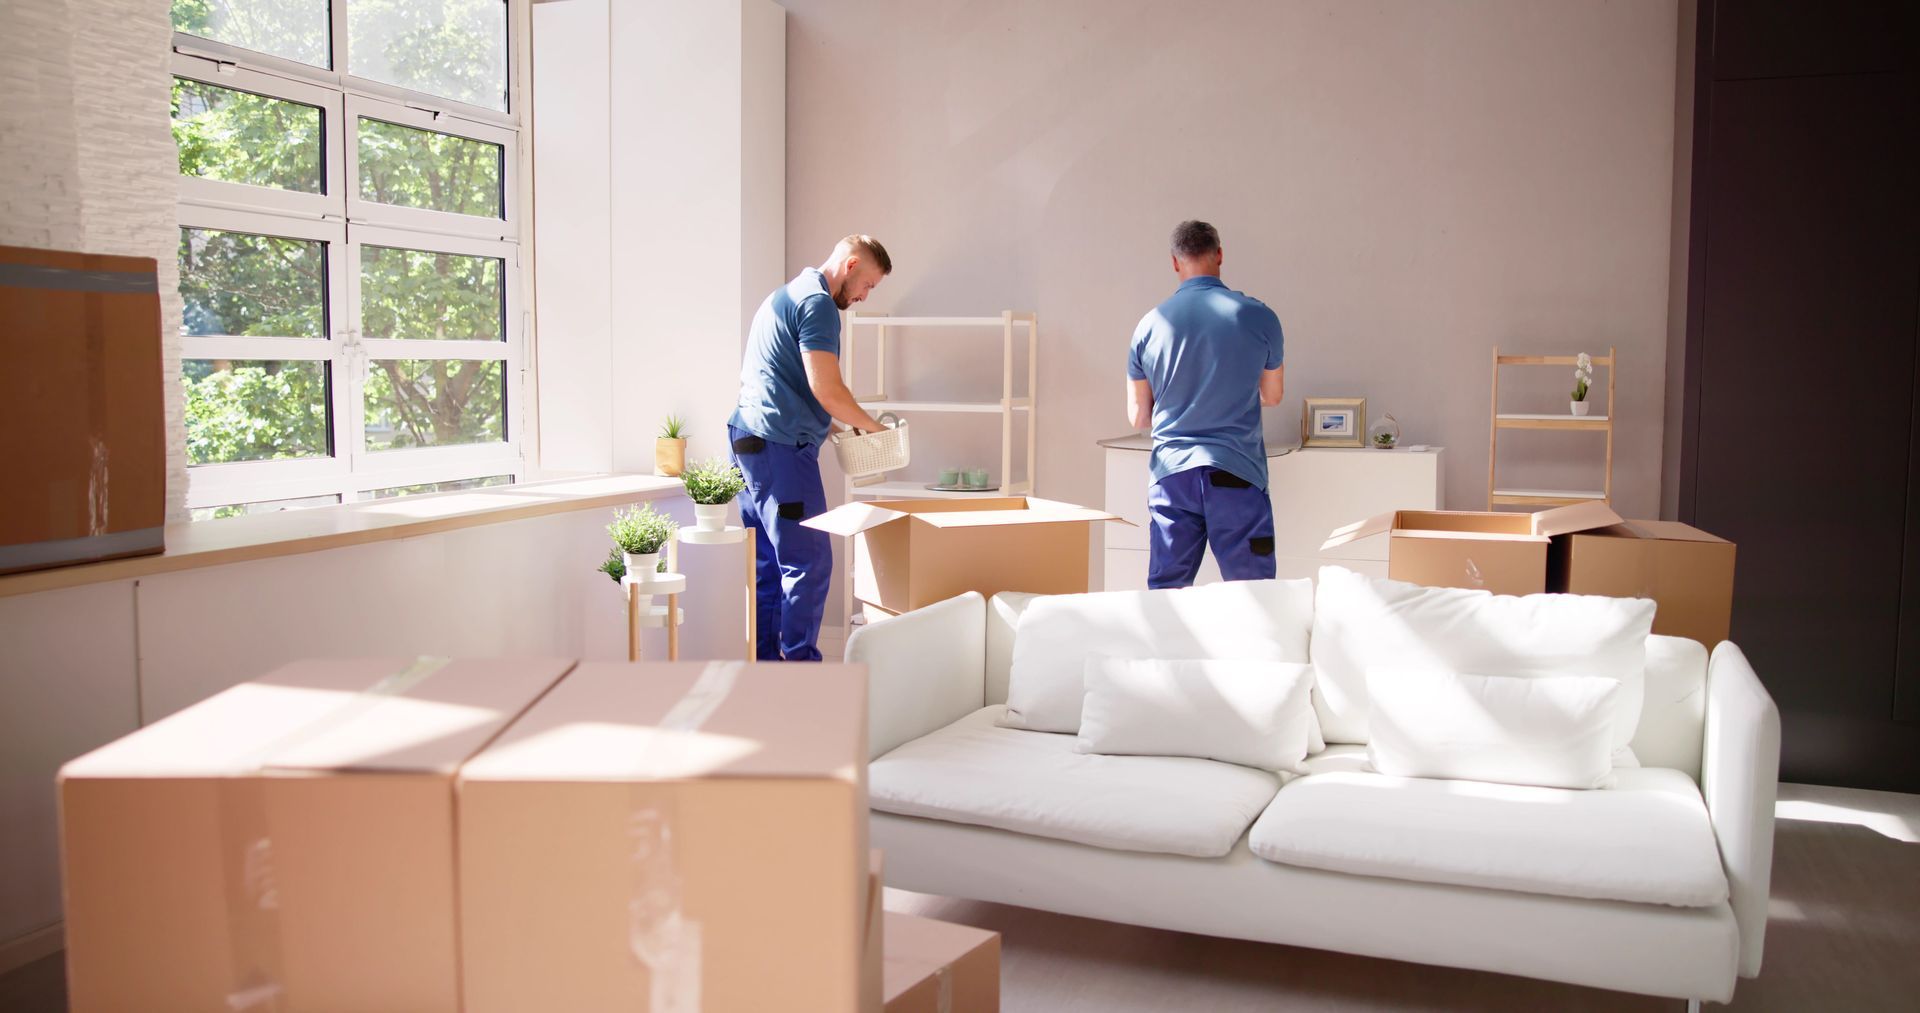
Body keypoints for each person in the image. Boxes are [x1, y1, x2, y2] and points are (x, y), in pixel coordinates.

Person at [728, 234, 893, 661]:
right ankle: (800, 673)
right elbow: (828, 389)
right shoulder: (818, 304)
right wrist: (875, 429)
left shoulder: (786, 295)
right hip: (780, 449)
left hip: (748, 441)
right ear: (852, 265)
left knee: (768, 565)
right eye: (869, 285)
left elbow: (791, 384)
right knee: (810, 563)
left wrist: (837, 427)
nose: (864, 296)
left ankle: (767, 674)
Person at [1126, 220, 1285, 589]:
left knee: (1167, 597)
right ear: (1219, 255)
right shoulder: (1259, 316)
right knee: (1254, 596)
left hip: (1172, 477)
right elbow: (1273, 395)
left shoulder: (1149, 325)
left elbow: (1138, 416)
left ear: (1175, 263)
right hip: (1235, 474)